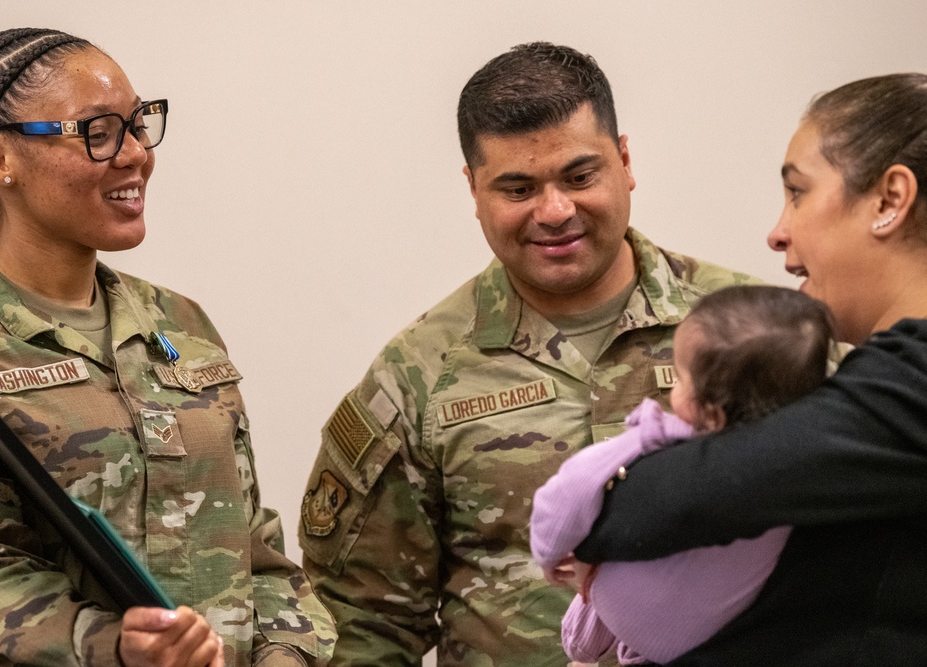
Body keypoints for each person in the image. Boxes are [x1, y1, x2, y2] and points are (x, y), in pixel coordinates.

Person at [297, 41, 755, 666]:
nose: (555, 211)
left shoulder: (748, 329)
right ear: (474, 189)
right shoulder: (418, 376)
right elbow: (363, 623)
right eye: (517, 188)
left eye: (579, 176)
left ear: (624, 160)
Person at [0, 28, 335, 667]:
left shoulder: (180, 322)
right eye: (97, 131)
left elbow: (254, 551)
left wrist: (284, 653)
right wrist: (110, 648)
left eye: (139, 123)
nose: (135, 154)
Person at [573, 73, 927, 666]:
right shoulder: (887, 374)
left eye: (797, 193)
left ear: (889, 200)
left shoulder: (914, 382)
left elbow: (673, 500)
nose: (777, 232)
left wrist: (584, 518)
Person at [530, 285, 834, 665]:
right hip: (721, 636)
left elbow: (568, 491)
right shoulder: (808, 464)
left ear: (711, 411)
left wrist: (549, 553)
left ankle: (583, 642)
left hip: (637, 616)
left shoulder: (659, 441)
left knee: (603, 568)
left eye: (680, 378)